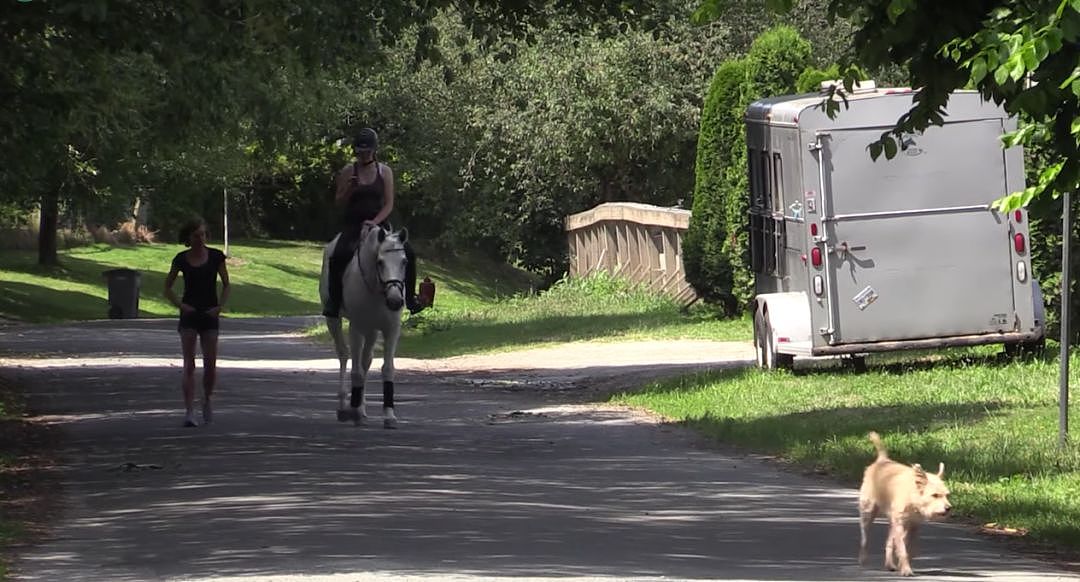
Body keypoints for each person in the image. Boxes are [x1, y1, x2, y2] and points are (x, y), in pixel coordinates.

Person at [324, 127, 424, 317]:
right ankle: (334, 302)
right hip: (353, 223)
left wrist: (374, 222)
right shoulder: (348, 171)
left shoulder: (384, 172)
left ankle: (410, 299)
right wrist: (349, 188)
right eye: (361, 152)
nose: (364, 155)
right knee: (338, 255)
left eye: (367, 151)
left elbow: (389, 203)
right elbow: (338, 201)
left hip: (379, 224)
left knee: (408, 253)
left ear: (374, 150)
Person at [164, 217, 230, 427]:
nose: (200, 239)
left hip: (210, 314)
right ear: (188, 238)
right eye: (196, 235)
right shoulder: (181, 259)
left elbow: (227, 284)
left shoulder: (216, 257)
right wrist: (181, 306)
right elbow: (167, 287)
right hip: (190, 314)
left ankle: (207, 399)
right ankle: (189, 411)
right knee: (189, 364)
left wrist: (220, 307)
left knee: (210, 365)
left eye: (203, 234)